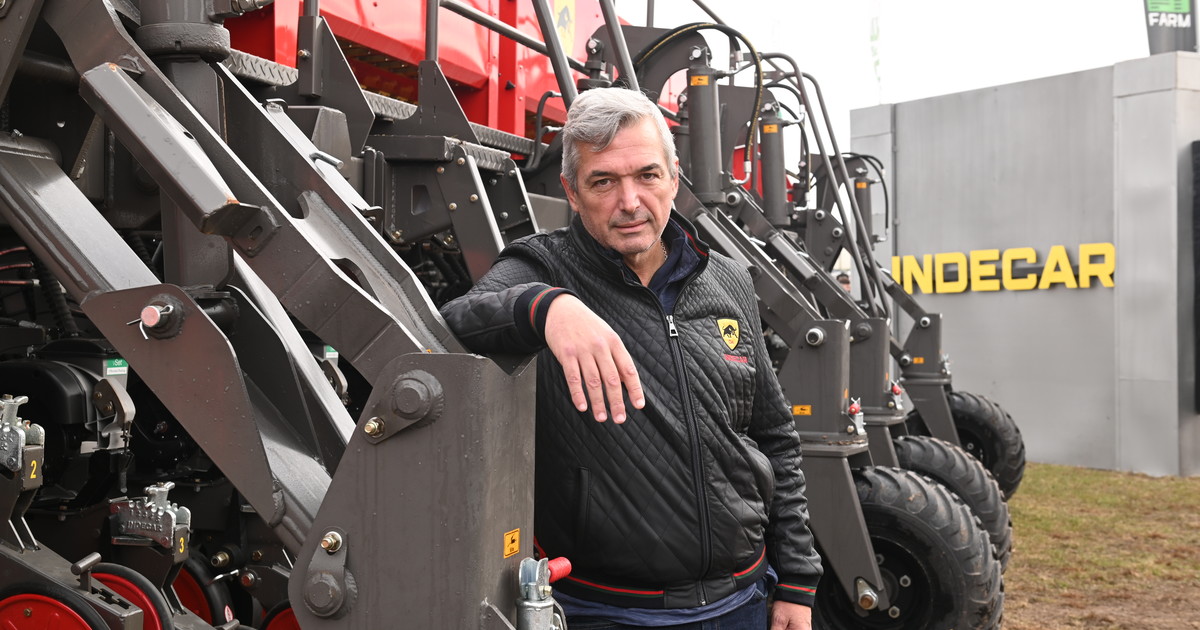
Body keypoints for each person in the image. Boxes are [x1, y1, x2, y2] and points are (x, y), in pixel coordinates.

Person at [440, 87, 822, 629]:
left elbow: (775, 437)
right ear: (572, 193)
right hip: (608, 611)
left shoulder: (728, 280)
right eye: (603, 181)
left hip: (744, 599)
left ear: (673, 177)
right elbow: (455, 318)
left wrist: (799, 580)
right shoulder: (543, 267)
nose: (630, 201)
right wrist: (548, 308)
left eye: (647, 175)